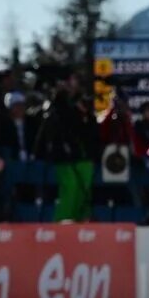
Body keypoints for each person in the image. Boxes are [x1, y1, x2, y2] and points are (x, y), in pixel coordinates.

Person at [36, 90, 100, 222]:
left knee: (85, 191)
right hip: (67, 160)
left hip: (86, 160)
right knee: (70, 188)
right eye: (83, 102)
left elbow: (94, 140)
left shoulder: (91, 119)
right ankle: (63, 219)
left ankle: (82, 219)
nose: (87, 105)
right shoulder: (67, 116)